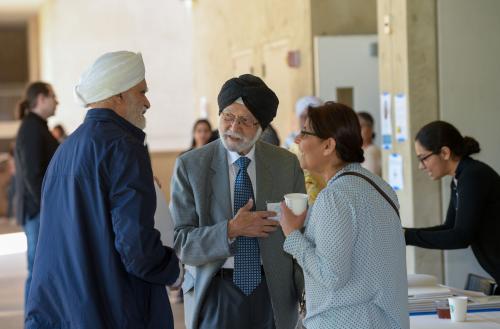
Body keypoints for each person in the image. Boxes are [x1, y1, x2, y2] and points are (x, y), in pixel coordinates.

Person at [25, 51, 180, 329]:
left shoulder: (67, 148)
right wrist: (172, 268)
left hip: (67, 308)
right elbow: (137, 250)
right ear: (118, 95)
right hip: (113, 308)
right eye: (141, 91)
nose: (147, 102)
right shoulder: (124, 147)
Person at [170, 74, 305, 329]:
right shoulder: (191, 166)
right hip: (217, 292)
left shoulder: (285, 165)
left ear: (261, 128)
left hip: (273, 294)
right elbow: (180, 243)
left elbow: (301, 234)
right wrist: (232, 229)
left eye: (244, 121)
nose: (233, 127)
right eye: (228, 117)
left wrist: (307, 294)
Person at [280, 102, 409, 329]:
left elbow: (331, 276)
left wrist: (291, 234)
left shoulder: (335, 196)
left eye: (306, 132)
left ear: (328, 145)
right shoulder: (379, 186)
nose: (298, 140)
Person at [405, 121, 500, 294]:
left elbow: (461, 237)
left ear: (445, 152)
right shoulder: (459, 179)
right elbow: (450, 227)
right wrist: (405, 234)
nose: (421, 166)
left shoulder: (473, 176)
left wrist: (406, 236)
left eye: (423, 158)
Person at [14, 81, 59, 310]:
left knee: (42, 269)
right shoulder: (32, 128)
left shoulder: (37, 126)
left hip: (38, 210)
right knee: (38, 270)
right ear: (41, 99)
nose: (57, 101)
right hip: (37, 211)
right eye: (53, 97)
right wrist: (50, 208)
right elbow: (34, 175)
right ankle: (33, 321)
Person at [286, 96, 325, 205]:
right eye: (303, 116)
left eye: (312, 116)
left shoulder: (328, 142)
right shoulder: (291, 143)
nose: (307, 120)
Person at [358, 111, 382, 176]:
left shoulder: (372, 152)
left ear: (371, 128)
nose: (357, 130)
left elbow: (368, 182)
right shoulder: (359, 151)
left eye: (360, 126)